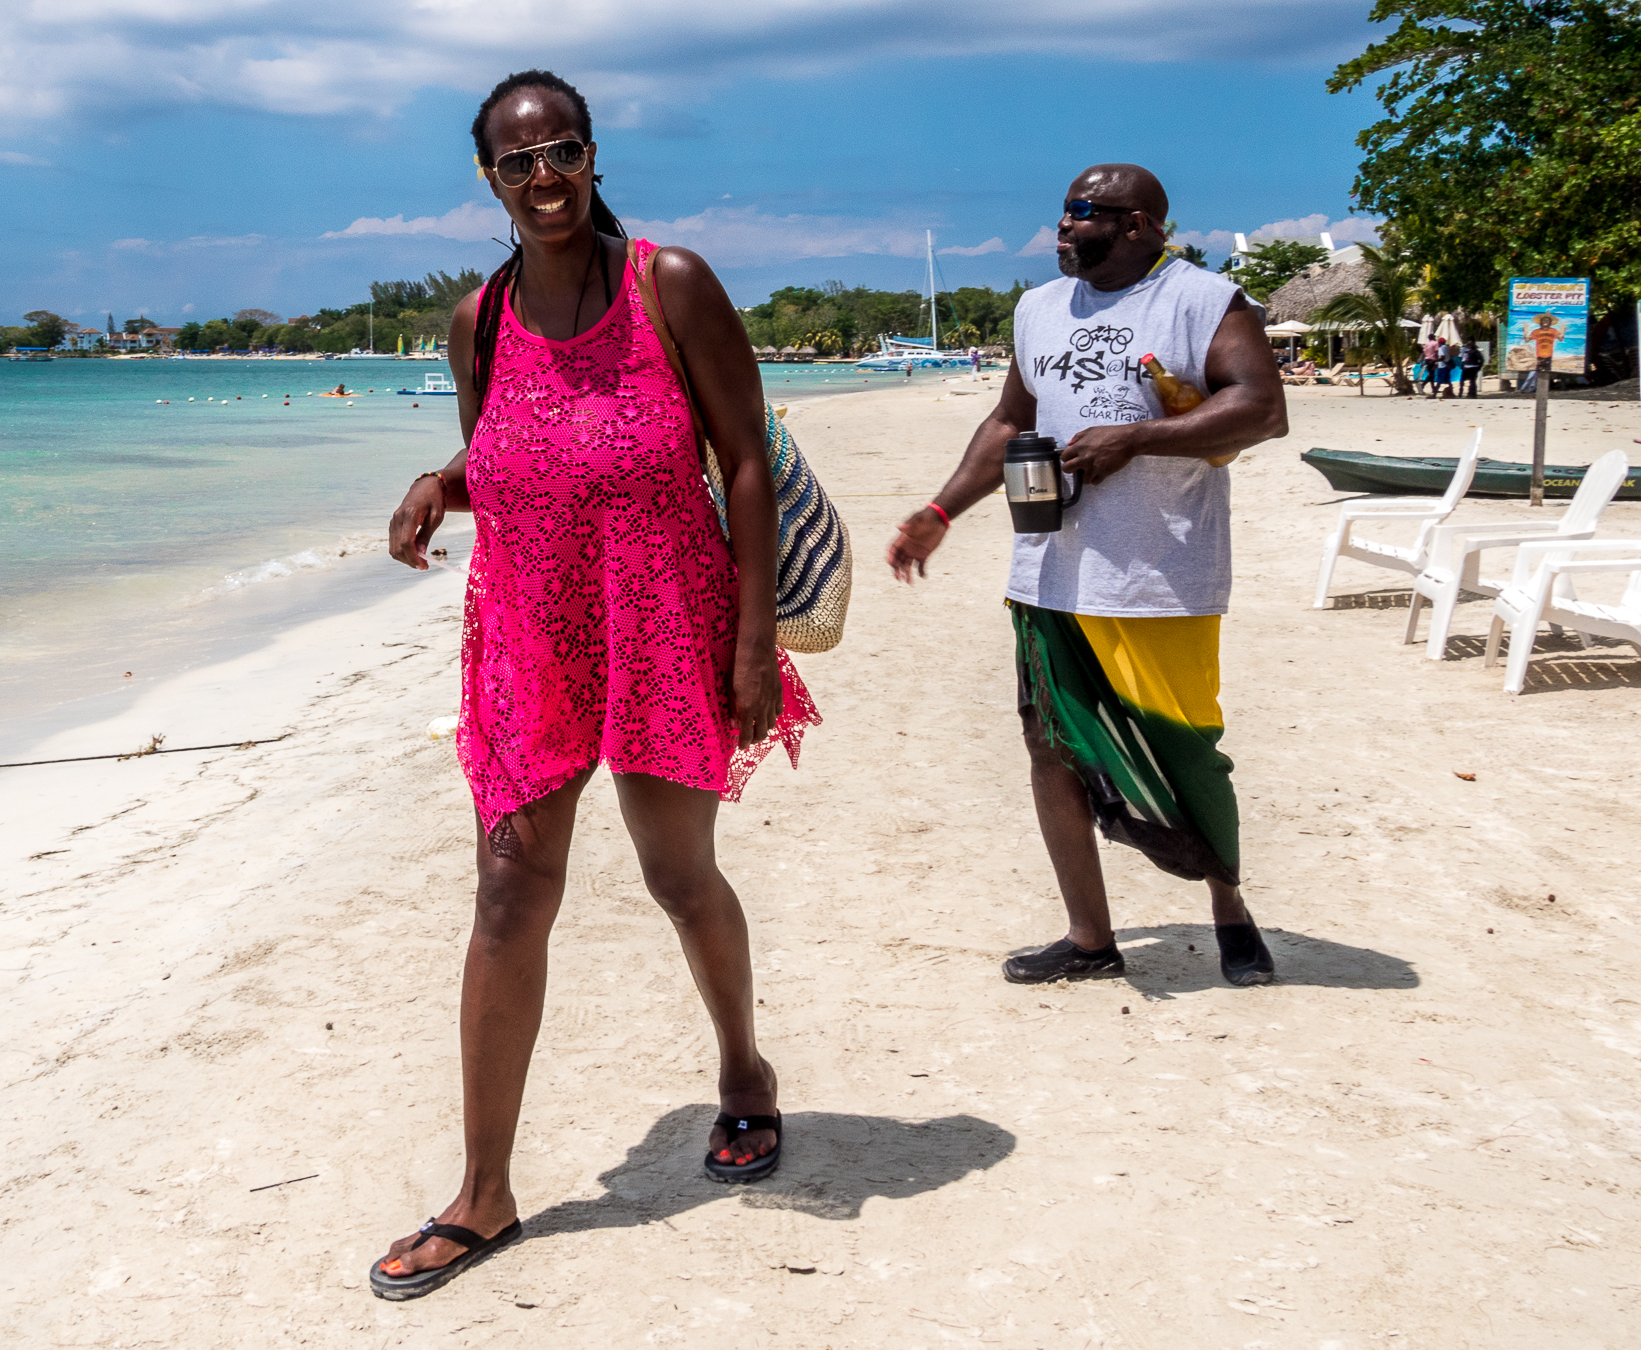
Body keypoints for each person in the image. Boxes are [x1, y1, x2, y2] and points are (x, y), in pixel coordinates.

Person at [373, 70, 819, 1301]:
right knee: (508, 892)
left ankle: (743, 1072)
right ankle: (484, 1192)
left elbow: (744, 460)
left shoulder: (670, 284)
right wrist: (438, 482)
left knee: (679, 876)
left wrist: (751, 643)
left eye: (561, 151)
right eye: (518, 162)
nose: (544, 177)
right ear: (489, 180)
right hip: (528, 638)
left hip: (665, 622)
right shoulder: (479, 320)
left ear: (592, 156)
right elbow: (506, 453)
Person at [883, 164, 1288, 988]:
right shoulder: (1038, 308)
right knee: (1051, 748)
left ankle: (1228, 907)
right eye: (1063, 212)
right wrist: (942, 510)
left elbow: (1261, 407)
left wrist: (1135, 438)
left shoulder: (1204, 300)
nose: (1062, 226)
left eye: (1081, 211)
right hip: (1050, 572)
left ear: (1138, 224)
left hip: (1161, 574)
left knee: (1186, 752)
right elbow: (1010, 421)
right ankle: (1089, 938)